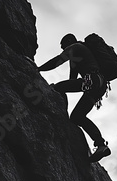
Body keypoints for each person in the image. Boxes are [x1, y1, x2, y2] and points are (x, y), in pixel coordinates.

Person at [38, 33, 111, 163]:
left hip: (92, 80)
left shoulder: (76, 47)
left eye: (64, 46)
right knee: (77, 117)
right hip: (98, 86)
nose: (63, 49)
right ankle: (101, 145)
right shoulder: (77, 58)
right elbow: (72, 81)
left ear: (70, 41)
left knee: (57, 87)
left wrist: (38, 69)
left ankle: (100, 144)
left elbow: (57, 61)